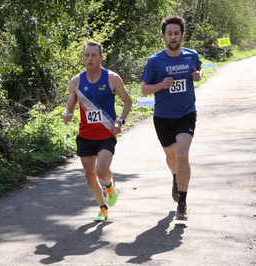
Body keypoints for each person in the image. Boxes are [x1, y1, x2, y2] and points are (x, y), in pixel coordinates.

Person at [140, 16, 203, 221]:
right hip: (163, 117)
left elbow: (198, 68)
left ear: (182, 35)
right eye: (169, 33)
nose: (173, 37)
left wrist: (199, 75)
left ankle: (182, 204)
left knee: (183, 156)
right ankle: (176, 177)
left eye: (176, 33)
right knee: (172, 158)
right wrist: (160, 85)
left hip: (186, 113)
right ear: (164, 36)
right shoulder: (154, 61)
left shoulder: (191, 55)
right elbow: (144, 88)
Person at [64, 40, 132, 222]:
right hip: (85, 135)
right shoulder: (76, 81)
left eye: (94, 55)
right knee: (89, 175)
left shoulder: (112, 78)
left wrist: (120, 121)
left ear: (101, 57)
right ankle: (102, 208)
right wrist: (67, 113)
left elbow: (128, 100)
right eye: (87, 55)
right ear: (82, 58)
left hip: (106, 134)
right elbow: (70, 106)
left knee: (102, 171)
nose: (90, 58)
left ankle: (109, 185)